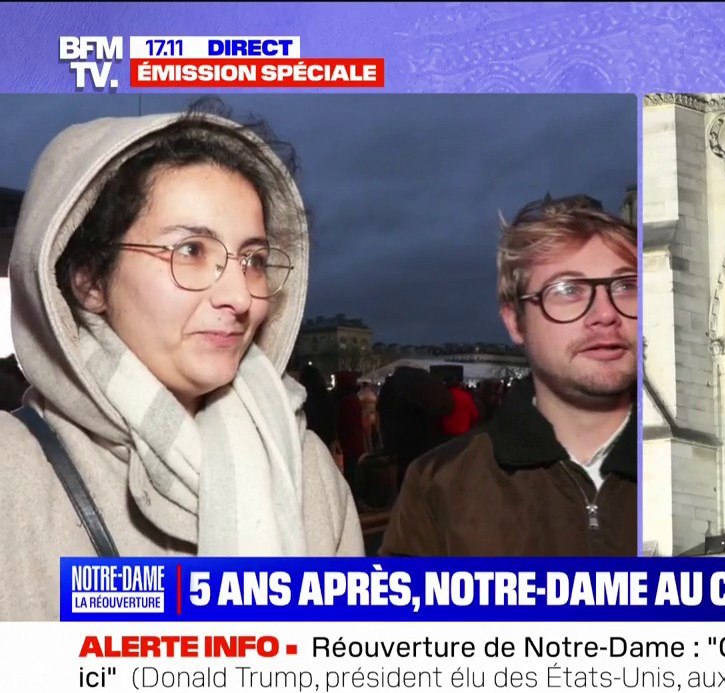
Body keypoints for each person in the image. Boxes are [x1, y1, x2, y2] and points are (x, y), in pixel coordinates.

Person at [0, 109, 362, 619]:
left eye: (254, 259)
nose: (240, 296)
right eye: (191, 250)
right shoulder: (13, 472)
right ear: (89, 280)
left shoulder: (305, 464)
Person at [382, 194, 637, 555]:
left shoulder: (723, 463)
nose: (605, 313)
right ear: (515, 321)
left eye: (626, 286)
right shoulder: (441, 485)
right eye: (567, 290)